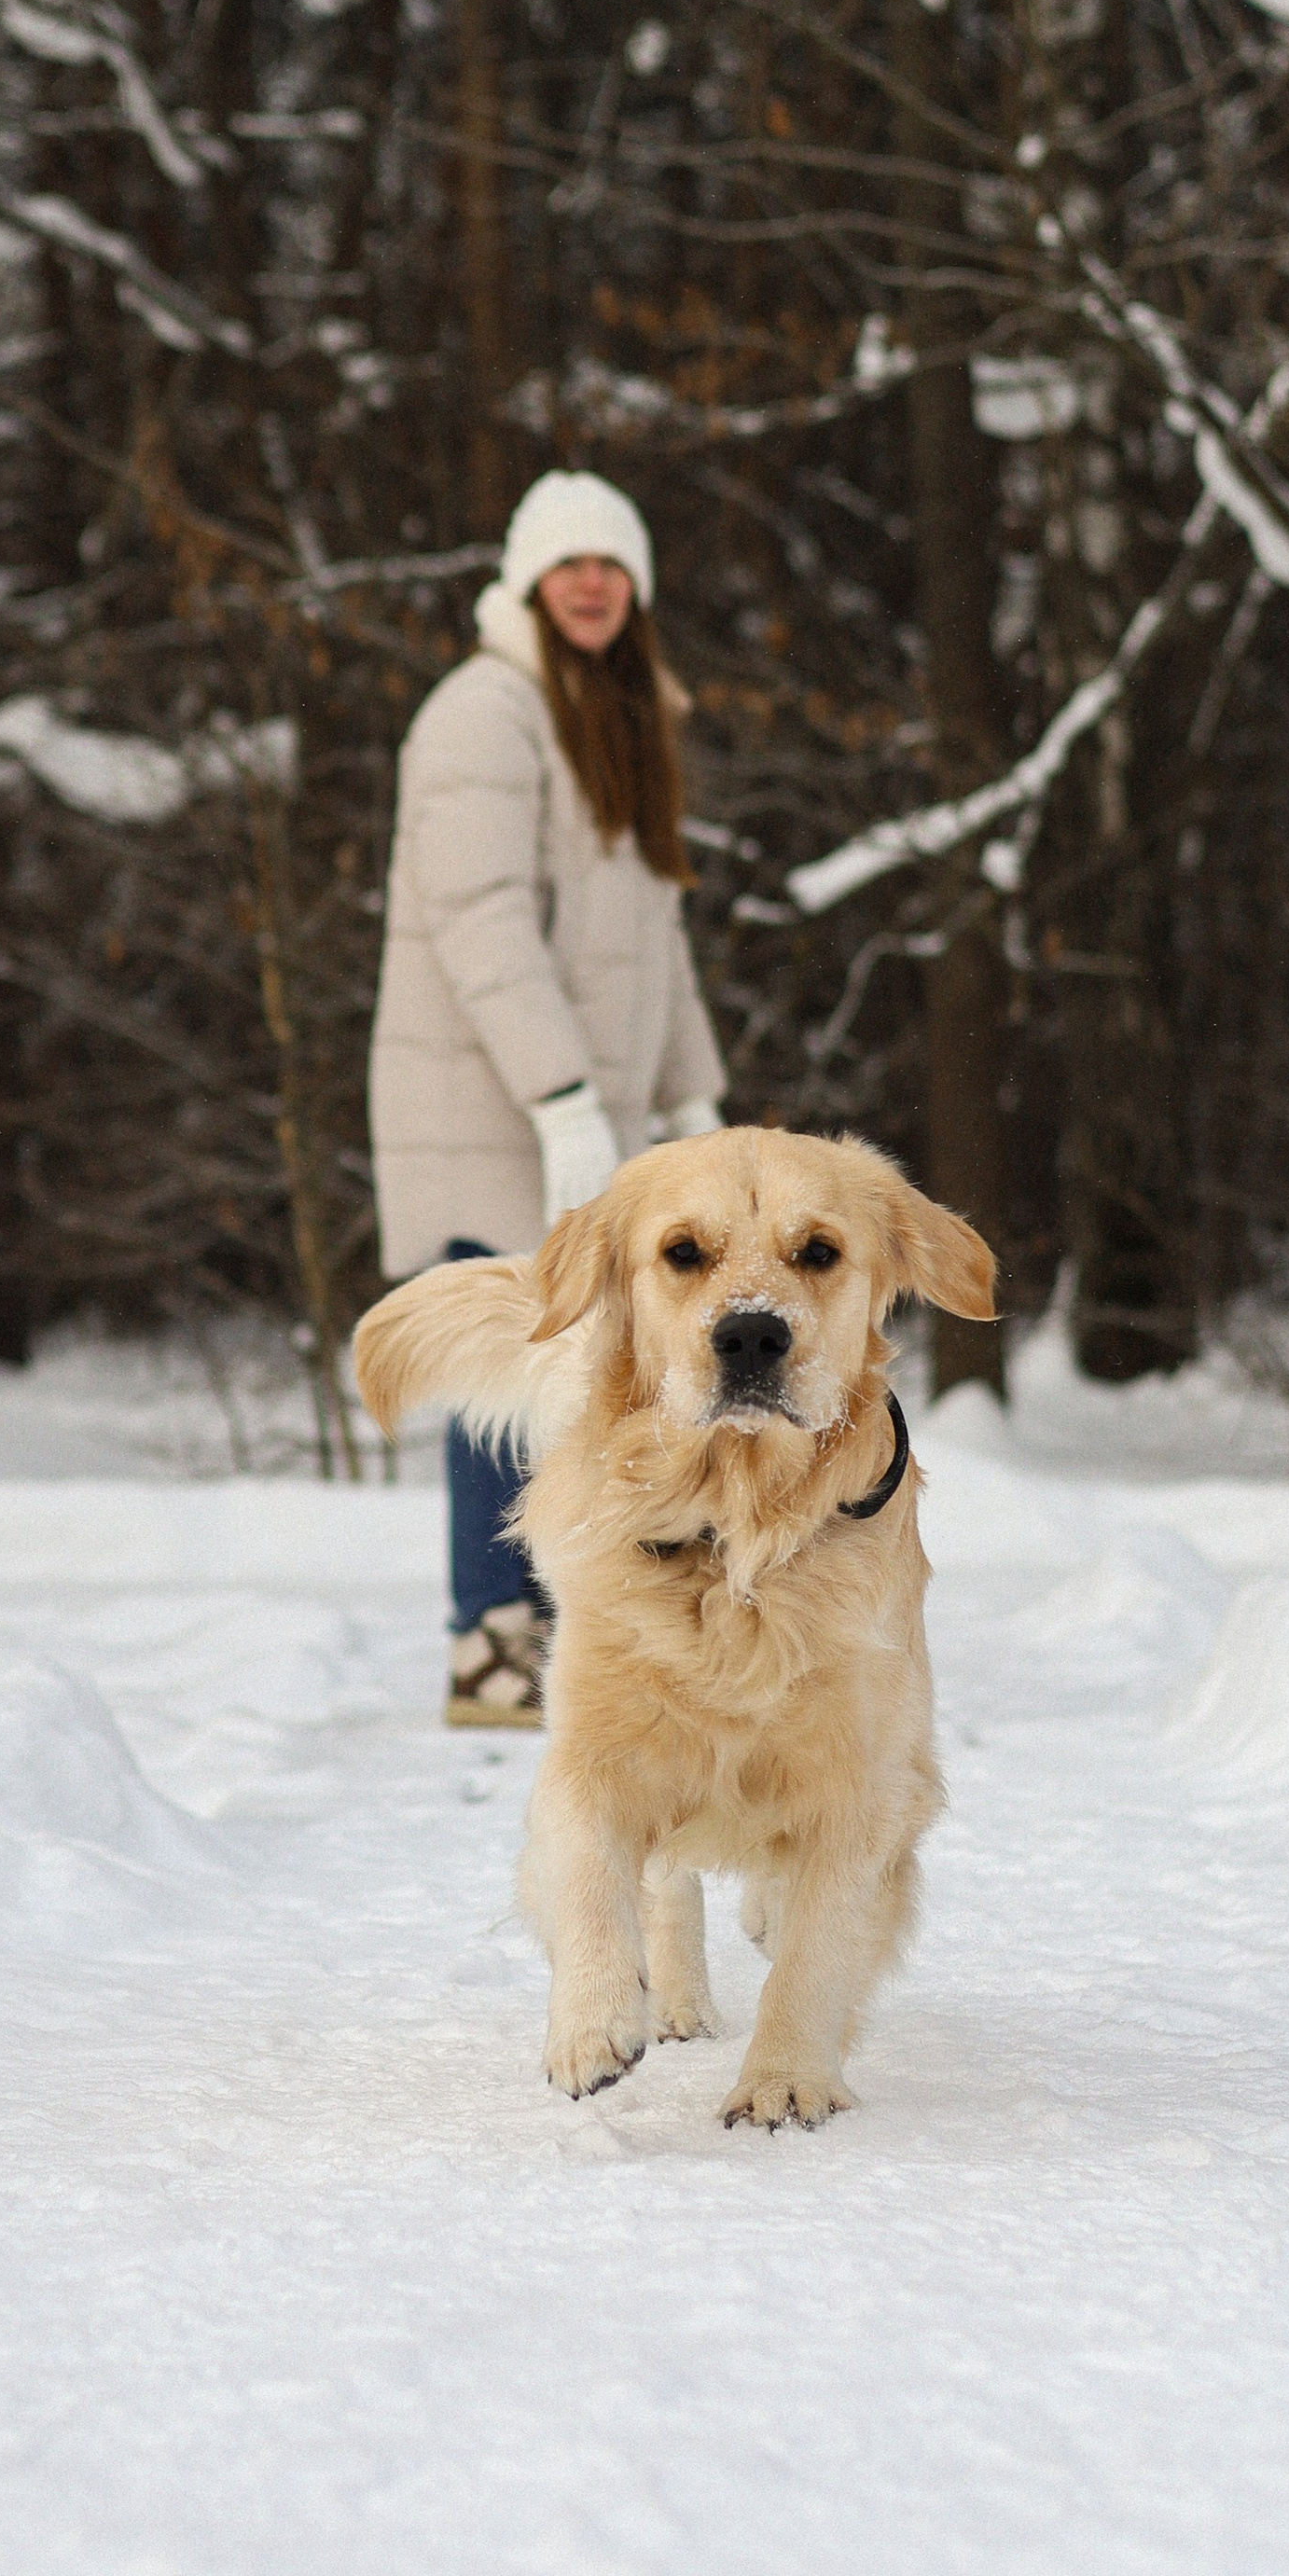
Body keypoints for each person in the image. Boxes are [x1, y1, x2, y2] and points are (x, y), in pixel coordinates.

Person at [368, 469, 727, 1726]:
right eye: (566, 563)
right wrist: (563, 1093)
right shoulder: (484, 713)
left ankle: (573, 1628)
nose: (590, 582)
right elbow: (482, 925)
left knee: (593, 1370)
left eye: (610, 564)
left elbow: (656, 939)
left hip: (589, 1122)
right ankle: (490, 1641)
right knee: (508, 1371)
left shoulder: (622, 720)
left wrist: (697, 1105)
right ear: (525, 581)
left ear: (635, 589)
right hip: (488, 1109)